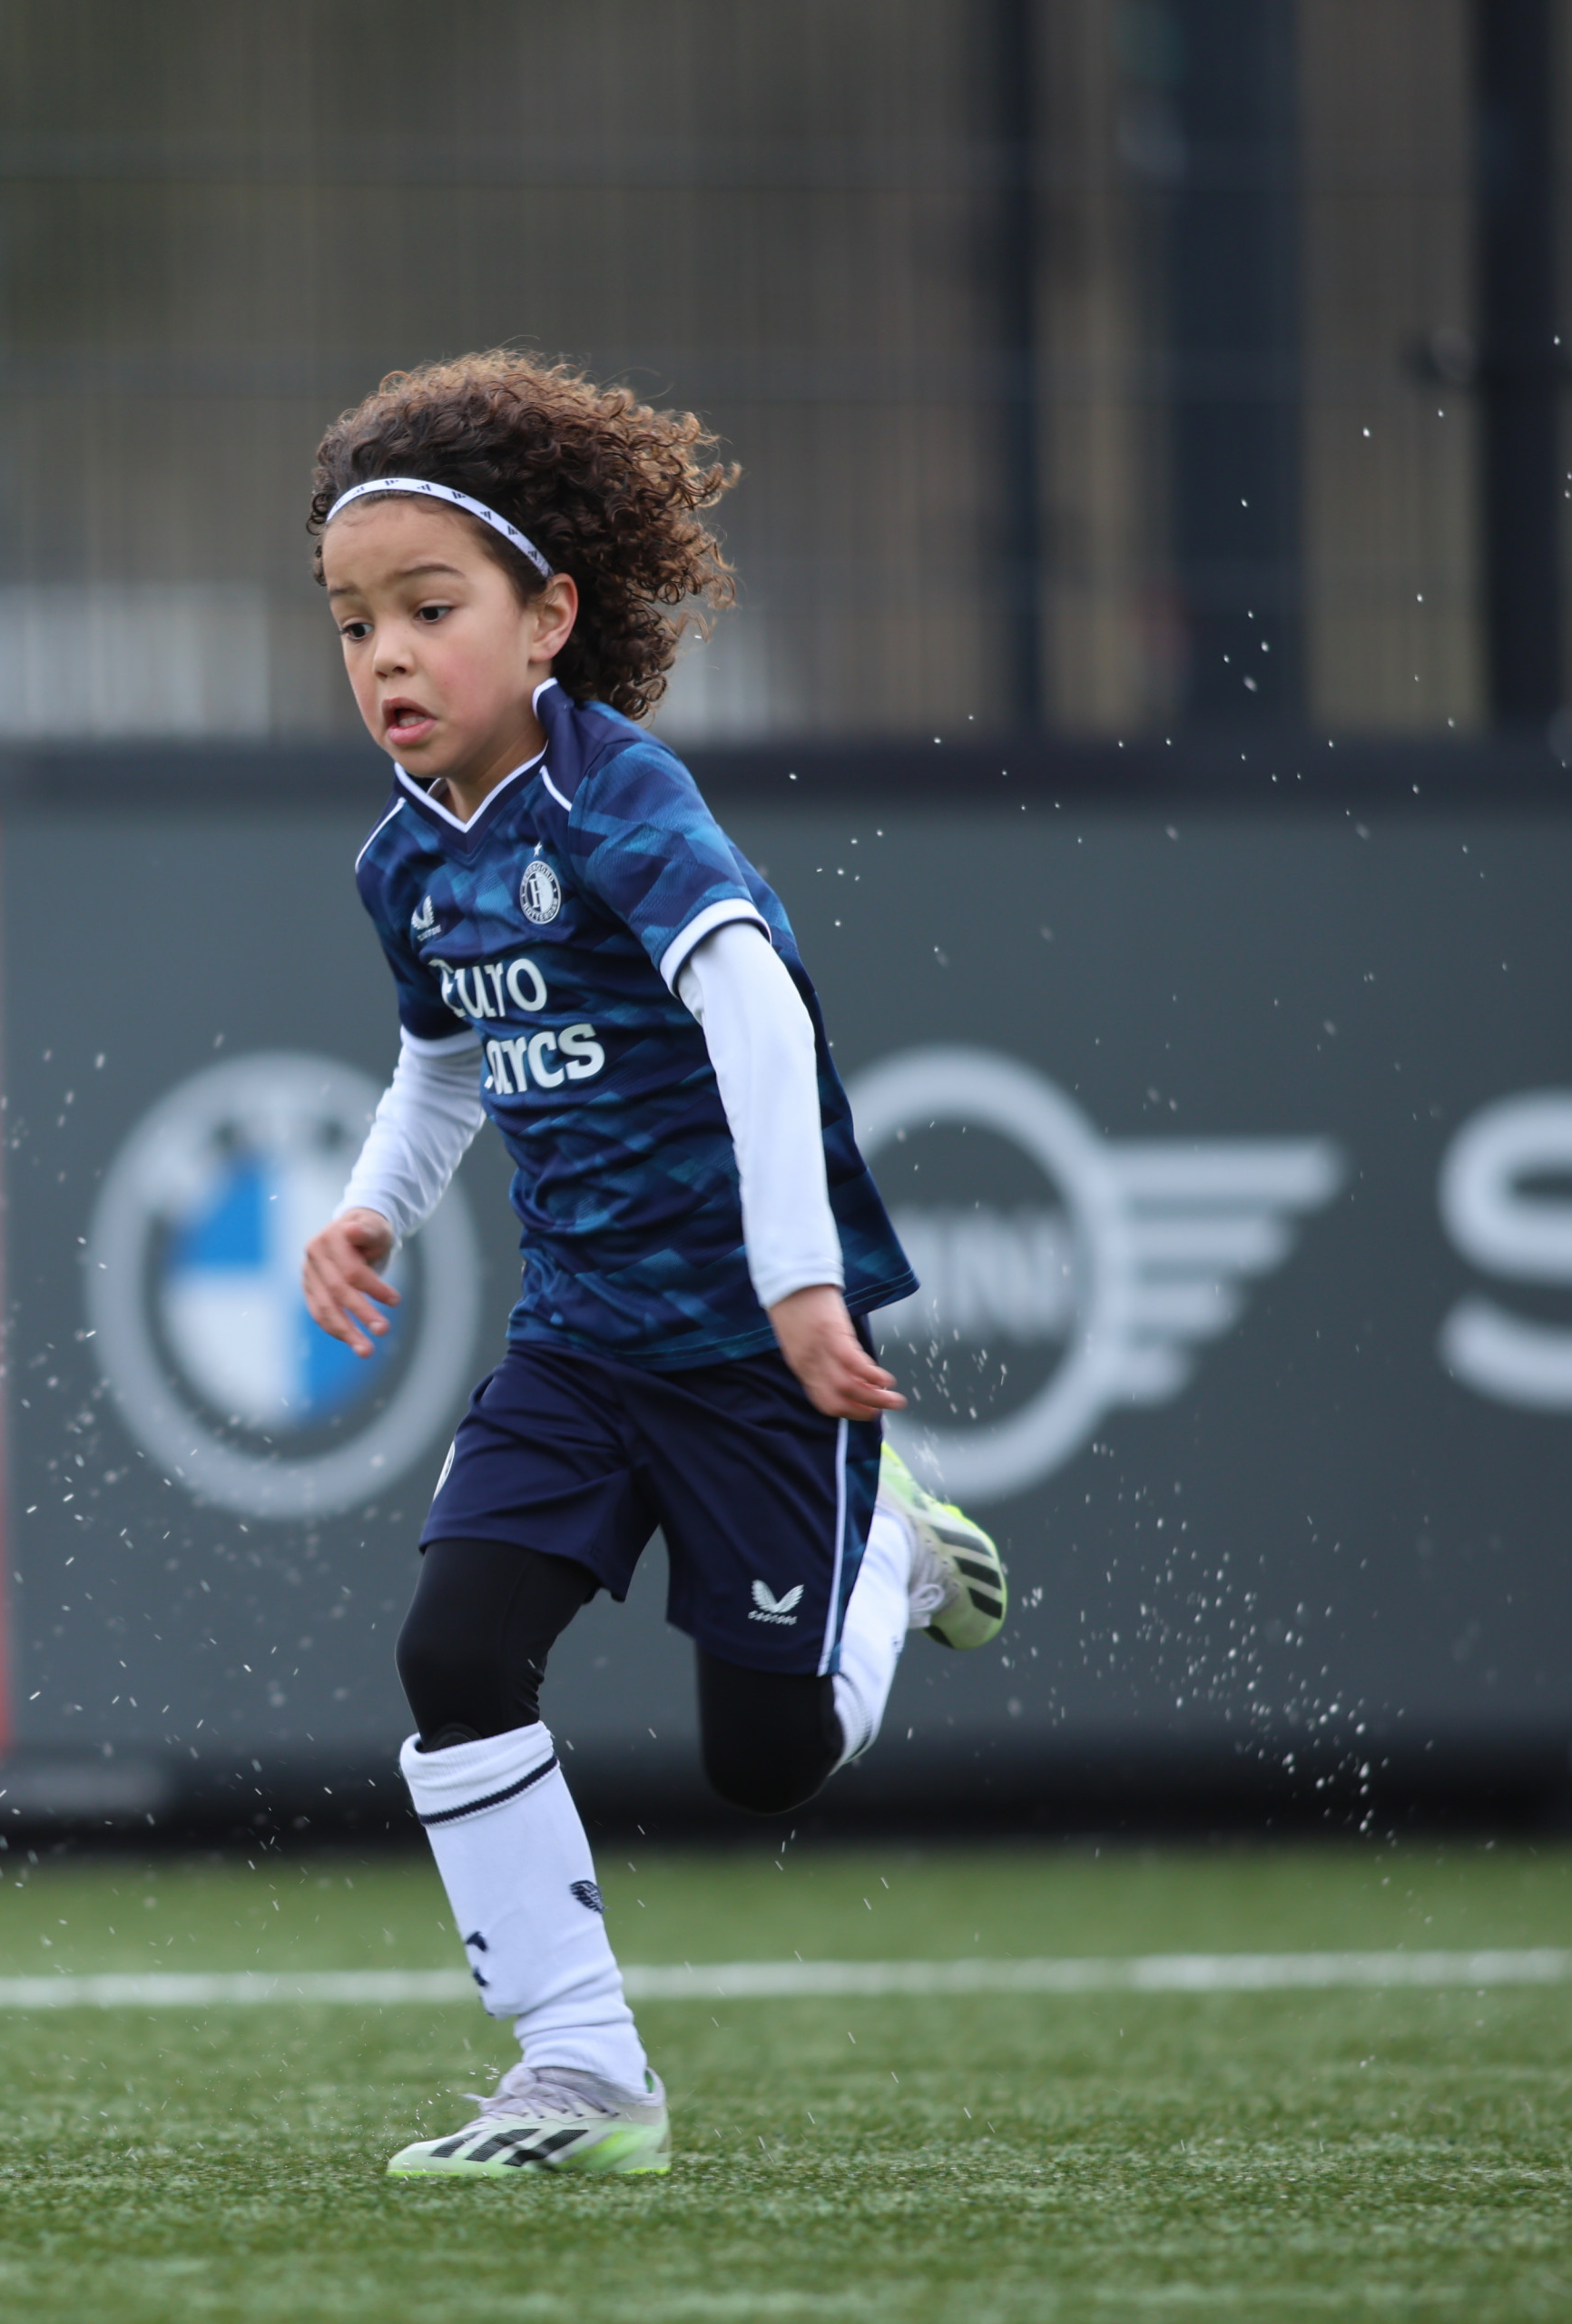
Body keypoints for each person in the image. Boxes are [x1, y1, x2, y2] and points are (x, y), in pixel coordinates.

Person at [295, 355, 1013, 2179]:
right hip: (584, 1345)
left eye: (428, 610)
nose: (385, 654)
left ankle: (889, 1547)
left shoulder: (621, 800)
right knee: (455, 1648)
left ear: (550, 618)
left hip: (756, 1348)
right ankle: (583, 2066)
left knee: (766, 1758)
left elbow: (756, 1004)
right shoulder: (407, 859)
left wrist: (797, 1286)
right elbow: (447, 1049)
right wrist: (378, 1199)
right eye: (352, 619)